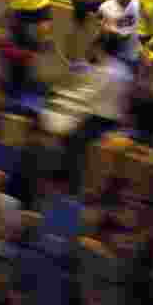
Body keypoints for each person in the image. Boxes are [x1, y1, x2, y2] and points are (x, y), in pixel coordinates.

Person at [64, 37, 134, 195]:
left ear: (100, 49)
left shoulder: (105, 71)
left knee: (73, 139)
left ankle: (74, 185)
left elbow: (89, 95)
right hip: (117, 119)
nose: (92, 51)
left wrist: (80, 77)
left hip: (102, 119)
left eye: (94, 48)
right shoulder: (124, 70)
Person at [98, 0, 141, 67]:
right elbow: (98, 27)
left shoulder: (136, 3)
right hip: (114, 55)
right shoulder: (105, 7)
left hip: (133, 54)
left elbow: (135, 28)